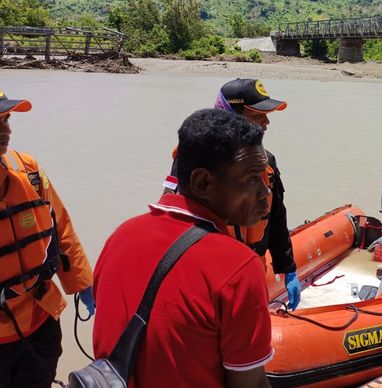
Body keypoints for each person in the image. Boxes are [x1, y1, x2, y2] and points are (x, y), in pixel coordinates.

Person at [94, 109, 273, 387]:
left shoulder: (121, 235)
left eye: (264, 178)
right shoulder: (238, 268)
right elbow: (250, 384)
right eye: (251, 179)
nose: (265, 192)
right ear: (202, 182)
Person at [164, 78, 300, 310]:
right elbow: (171, 221)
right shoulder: (195, 162)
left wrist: (287, 267)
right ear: (231, 117)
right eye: (258, 116)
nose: (266, 122)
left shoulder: (267, 163)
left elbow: (276, 216)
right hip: (210, 275)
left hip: (252, 270)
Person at [0, 90, 95, 388]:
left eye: (7, 119)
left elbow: (61, 224)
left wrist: (82, 282)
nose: (7, 130)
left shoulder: (28, 169)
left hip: (40, 317)